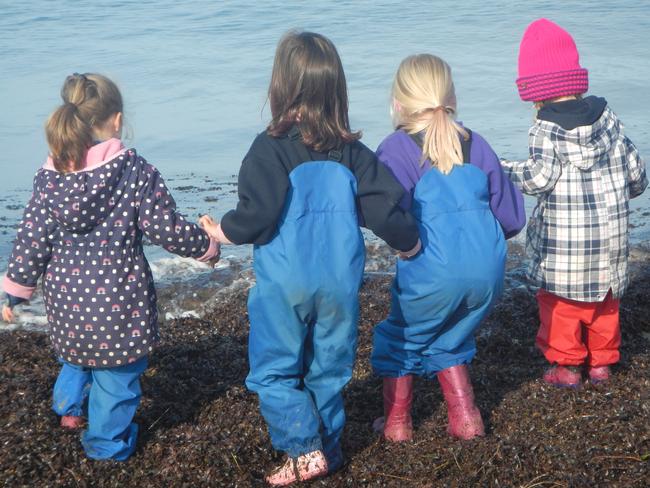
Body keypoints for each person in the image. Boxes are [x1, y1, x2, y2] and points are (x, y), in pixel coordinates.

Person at [199, 31, 420, 486]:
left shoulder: (269, 147)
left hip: (284, 284)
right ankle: (330, 449)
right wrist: (409, 243)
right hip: (339, 283)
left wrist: (222, 230)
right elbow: (384, 210)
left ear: (280, 87)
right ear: (336, 89)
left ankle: (305, 449)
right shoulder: (354, 153)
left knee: (275, 371)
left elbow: (255, 216)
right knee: (329, 368)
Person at [1, 73, 220, 461]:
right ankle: (105, 444)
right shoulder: (133, 171)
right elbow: (166, 229)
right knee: (117, 376)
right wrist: (206, 246)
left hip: (67, 301)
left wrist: (13, 292)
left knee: (76, 353)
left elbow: (31, 240)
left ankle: (69, 410)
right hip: (118, 303)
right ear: (116, 120)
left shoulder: (49, 177)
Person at [370, 54, 525, 442]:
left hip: (433, 271)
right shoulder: (477, 144)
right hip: (488, 272)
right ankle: (466, 417)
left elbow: (382, 213)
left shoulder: (395, 149)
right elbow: (511, 220)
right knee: (450, 336)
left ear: (398, 104)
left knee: (399, 337)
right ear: (451, 97)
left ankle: (397, 423)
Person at [501, 18, 647, 388]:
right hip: (609, 248)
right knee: (604, 308)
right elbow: (637, 179)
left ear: (535, 90)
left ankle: (566, 368)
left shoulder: (545, 130)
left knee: (561, 308)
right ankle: (601, 366)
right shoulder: (611, 124)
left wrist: (502, 171)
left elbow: (538, 178)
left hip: (564, 253)